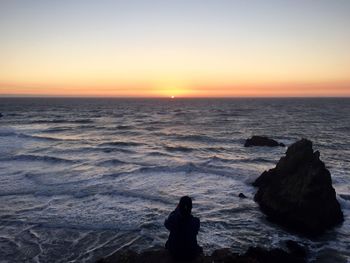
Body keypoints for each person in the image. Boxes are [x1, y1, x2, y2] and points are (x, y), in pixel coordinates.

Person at [164, 196, 202, 261]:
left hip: (175, 254)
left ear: (179, 207)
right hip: (191, 254)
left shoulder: (173, 220)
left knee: (167, 244)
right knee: (199, 248)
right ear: (191, 208)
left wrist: (175, 211)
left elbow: (166, 223)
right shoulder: (196, 221)